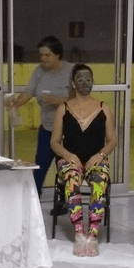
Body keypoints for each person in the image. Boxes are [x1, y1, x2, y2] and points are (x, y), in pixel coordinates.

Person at [50, 64, 117, 256]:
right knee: (71, 180)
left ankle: (93, 235)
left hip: (96, 159)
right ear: (73, 83)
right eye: (80, 79)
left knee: (100, 182)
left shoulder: (104, 108)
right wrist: (69, 156)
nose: (85, 83)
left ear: (93, 82)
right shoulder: (63, 108)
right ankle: (79, 234)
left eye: (88, 79)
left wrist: (100, 155)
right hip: (70, 159)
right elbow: (54, 142)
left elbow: (112, 141)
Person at [5, 36, 73, 198]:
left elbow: (81, 98)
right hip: (47, 128)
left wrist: (59, 101)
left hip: (68, 130)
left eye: (47, 55)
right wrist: (17, 102)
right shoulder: (39, 71)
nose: (43, 59)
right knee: (40, 164)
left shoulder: (72, 71)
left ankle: (64, 202)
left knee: (65, 167)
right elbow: (29, 91)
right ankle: (34, 198)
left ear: (57, 54)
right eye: (41, 55)